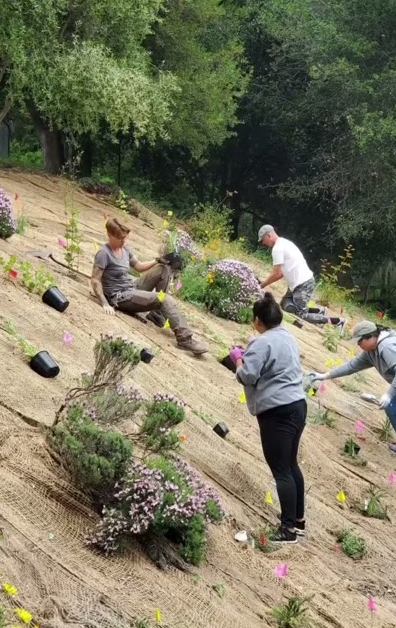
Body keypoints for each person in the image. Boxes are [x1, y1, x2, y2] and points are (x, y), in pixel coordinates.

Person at [307, 320, 396, 484]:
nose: (358, 344)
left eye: (360, 341)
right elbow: (352, 366)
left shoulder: (387, 346)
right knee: (393, 409)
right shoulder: (371, 352)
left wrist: (388, 395)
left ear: (370, 337)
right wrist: (325, 375)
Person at [233, 293, 307, 543]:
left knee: (281, 470)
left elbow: (247, 376)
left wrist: (238, 360)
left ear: (257, 320)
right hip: (297, 405)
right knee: (291, 464)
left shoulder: (261, 343)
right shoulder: (287, 336)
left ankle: (287, 530)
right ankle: (298, 520)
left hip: (277, 410)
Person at [90, 218, 208, 356]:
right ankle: (185, 339)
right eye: (120, 238)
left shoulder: (124, 248)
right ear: (110, 235)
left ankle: (156, 315)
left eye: (125, 237)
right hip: (120, 297)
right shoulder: (103, 253)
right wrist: (105, 303)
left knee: (163, 269)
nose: (124, 241)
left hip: (132, 287)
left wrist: (159, 260)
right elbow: (95, 280)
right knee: (164, 298)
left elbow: (139, 267)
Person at [257, 225, 328, 324]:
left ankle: (335, 321)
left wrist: (262, 285)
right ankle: (320, 311)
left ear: (269, 235)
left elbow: (277, 273)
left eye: (263, 240)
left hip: (303, 283)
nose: (263, 243)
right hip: (296, 284)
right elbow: (280, 273)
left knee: (301, 314)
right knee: (285, 305)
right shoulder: (285, 242)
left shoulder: (277, 249)